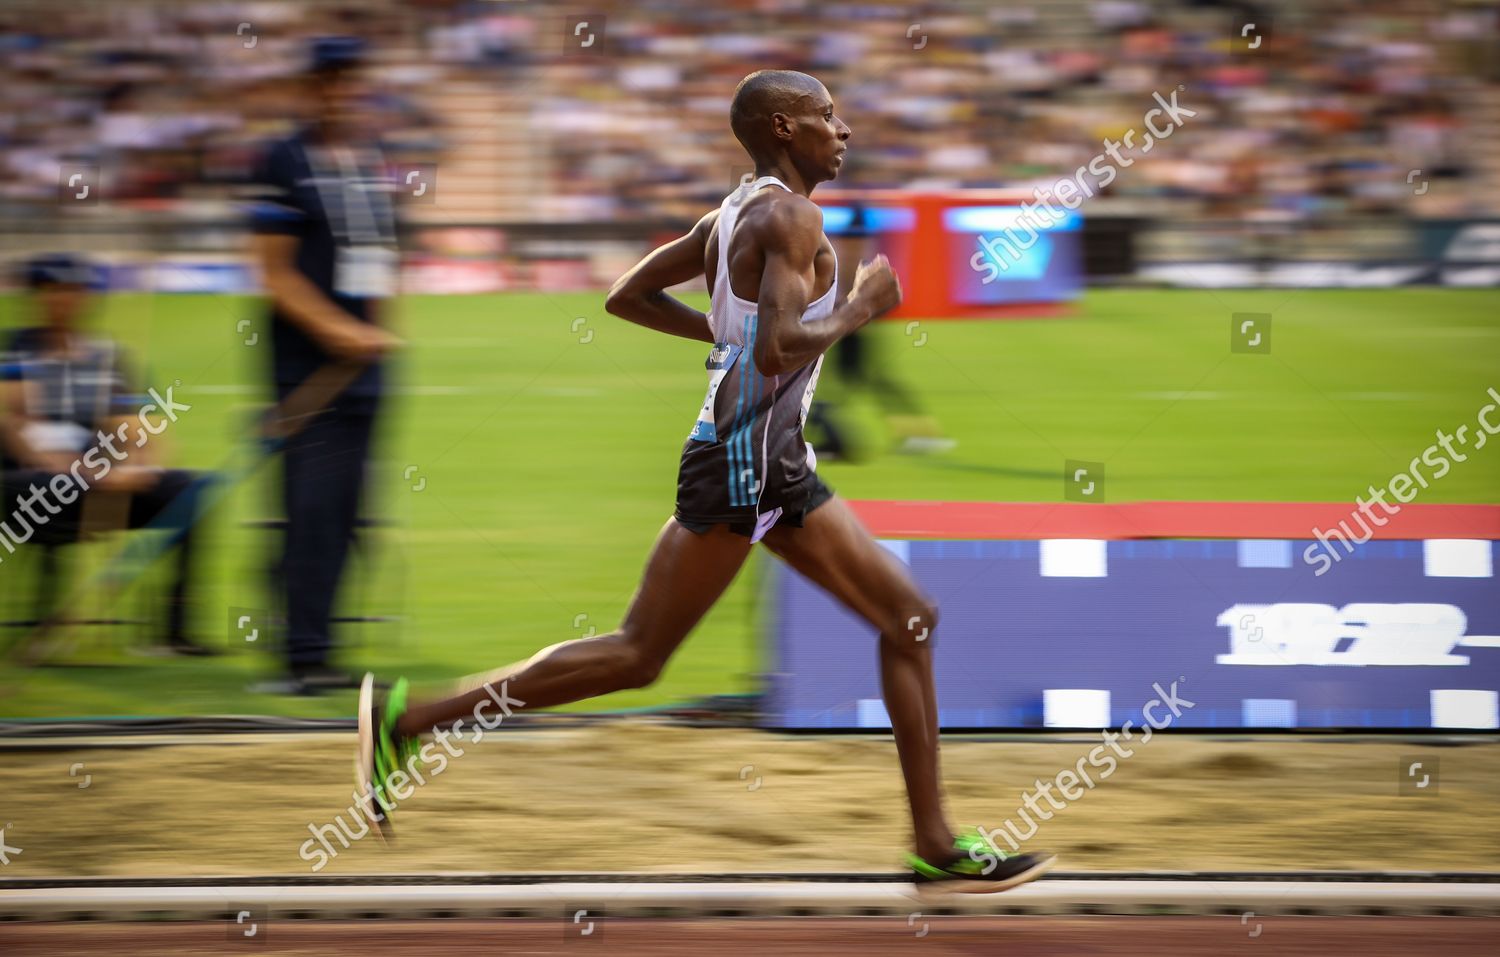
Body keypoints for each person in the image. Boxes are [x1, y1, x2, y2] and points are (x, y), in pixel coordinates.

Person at [355, 71, 1054, 892]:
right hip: (745, 463)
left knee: (902, 619)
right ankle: (410, 719)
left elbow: (629, 295)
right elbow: (778, 349)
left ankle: (935, 841)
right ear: (786, 127)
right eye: (829, 116)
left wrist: (720, 335)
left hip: (762, 457)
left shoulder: (729, 214)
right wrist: (864, 304)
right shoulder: (789, 215)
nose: (846, 128)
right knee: (644, 654)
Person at [248, 37, 401, 695]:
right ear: (310, 89)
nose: (341, 92)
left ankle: (322, 646)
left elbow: (378, 266)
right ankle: (300, 656)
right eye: (328, 82)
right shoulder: (282, 160)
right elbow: (274, 273)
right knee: (307, 511)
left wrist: (379, 335)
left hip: (364, 376)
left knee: (346, 514)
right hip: (306, 373)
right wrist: (339, 331)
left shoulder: (368, 164)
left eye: (350, 80)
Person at [0, 254, 210, 656]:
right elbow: (16, 424)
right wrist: (83, 472)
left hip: (101, 477)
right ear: (37, 297)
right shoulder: (16, 350)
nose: (67, 301)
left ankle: (175, 629)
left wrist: (141, 465)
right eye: (56, 292)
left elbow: (133, 423)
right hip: (35, 479)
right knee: (45, 487)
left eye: (76, 292)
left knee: (189, 489)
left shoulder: (106, 355)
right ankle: (43, 622)